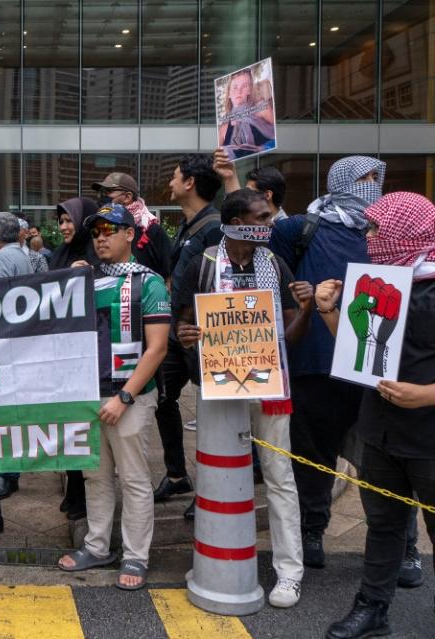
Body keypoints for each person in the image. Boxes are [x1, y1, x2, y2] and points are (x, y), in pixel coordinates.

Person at [176, 188, 312, 608]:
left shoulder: (275, 264)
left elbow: (289, 337)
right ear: (236, 223)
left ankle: (290, 573)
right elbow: (183, 326)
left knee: (279, 478)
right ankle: (215, 558)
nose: (271, 224)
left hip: (268, 389)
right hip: (218, 388)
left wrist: (305, 309)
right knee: (215, 477)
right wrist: (187, 338)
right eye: (264, 217)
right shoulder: (203, 266)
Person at [322, 192, 435, 638]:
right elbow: (357, 352)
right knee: (384, 524)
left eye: (376, 230)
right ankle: (372, 609)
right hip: (381, 431)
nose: (368, 238)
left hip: (429, 438)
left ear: (406, 233)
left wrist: (427, 394)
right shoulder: (380, 281)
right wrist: (330, 309)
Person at [267, 155, 386, 570]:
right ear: (340, 182)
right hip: (314, 362)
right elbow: (272, 279)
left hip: (372, 366)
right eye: (365, 178)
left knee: (382, 462)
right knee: (313, 458)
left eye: (376, 178)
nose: (373, 185)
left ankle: (399, 544)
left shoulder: (387, 232)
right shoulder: (298, 228)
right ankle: (312, 530)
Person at [57, 204, 170, 591]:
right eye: (96, 231)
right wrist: (66, 282)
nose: (101, 236)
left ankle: (136, 556)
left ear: (130, 235)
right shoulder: (85, 279)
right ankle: (97, 545)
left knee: (135, 479)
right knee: (95, 477)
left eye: (111, 229)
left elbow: (157, 349)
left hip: (129, 398)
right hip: (90, 396)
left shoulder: (150, 283)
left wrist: (124, 396)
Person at [153, 155, 223, 520]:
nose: (171, 183)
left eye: (175, 177)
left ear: (191, 183)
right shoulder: (187, 225)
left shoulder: (215, 228)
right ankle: (177, 473)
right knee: (162, 398)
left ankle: (212, 486)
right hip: (175, 333)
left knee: (210, 411)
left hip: (200, 336)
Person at [49, 197, 100, 521]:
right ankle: (73, 491)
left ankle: (82, 497)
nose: (65, 227)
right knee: (66, 423)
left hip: (87, 357)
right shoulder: (59, 255)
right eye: (61, 221)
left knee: (82, 426)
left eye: (70, 221)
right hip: (61, 355)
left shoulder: (96, 257)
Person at [0, 212, 35, 500]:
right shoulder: (23, 254)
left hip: (7, 344)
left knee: (4, 412)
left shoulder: (2, 259)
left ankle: (7, 473)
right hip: (21, 341)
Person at [93, 172, 173, 280]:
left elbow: (168, 276)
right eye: (101, 192)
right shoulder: (97, 231)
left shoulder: (151, 230)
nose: (103, 196)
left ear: (127, 197)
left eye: (109, 191)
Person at [213, 151, 290, 223]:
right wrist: (230, 177)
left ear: (267, 195)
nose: (246, 196)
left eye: (250, 192)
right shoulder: (253, 223)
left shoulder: (284, 230)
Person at [217, 68, 276, 159]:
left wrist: (264, 148)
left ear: (249, 90)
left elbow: (280, 134)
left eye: (244, 86)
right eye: (235, 87)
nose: (239, 91)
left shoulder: (261, 108)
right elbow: (217, 159)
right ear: (228, 93)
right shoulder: (223, 129)